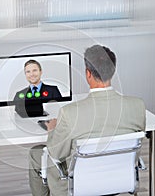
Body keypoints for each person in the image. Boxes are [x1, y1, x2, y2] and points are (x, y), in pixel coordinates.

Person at [28, 45, 146, 196]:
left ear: (88, 73)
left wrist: (52, 129)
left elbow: (56, 153)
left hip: (76, 186)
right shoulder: (137, 106)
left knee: (35, 153)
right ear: (113, 71)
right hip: (118, 180)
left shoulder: (70, 113)